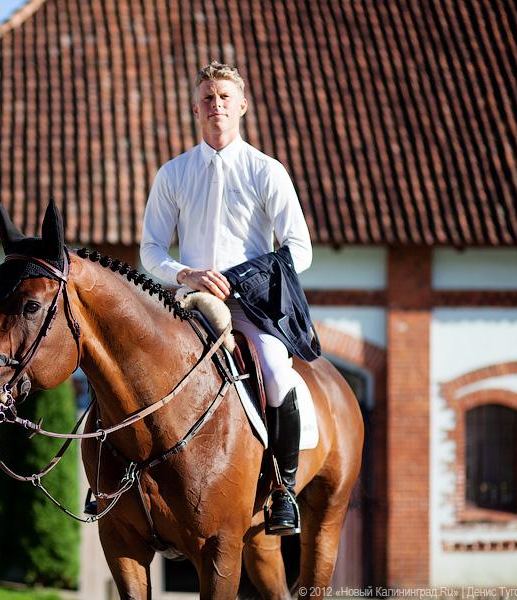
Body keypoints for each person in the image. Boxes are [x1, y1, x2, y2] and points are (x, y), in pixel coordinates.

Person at [140, 61, 313, 535]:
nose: (216, 104)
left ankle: (284, 491)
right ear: (196, 109)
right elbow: (150, 249)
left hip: (252, 307)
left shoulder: (266, 170)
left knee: (278, 376)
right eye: (207, 98)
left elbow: (300, 249)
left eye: (223, 97)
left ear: (241, 105)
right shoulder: (173, 173)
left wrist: (243, 280)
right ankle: (123, 482)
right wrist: (187, 273)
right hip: (189, 302)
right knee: (133, 361)